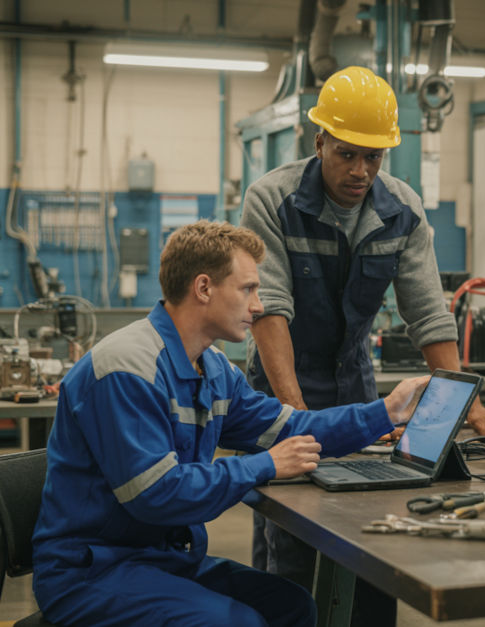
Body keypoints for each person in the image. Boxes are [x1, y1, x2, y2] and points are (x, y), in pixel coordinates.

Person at [31, 220, 429, 626]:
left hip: (163, 559)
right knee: (236, 623)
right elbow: (155, 494)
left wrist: (386, 411)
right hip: (91, 572)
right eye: (248, 289)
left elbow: (291, 428)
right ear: (203, 288)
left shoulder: (215, 369)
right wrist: (264, 464)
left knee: (291, 605)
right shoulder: (127, 369)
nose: (258, 306)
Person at [238, 65, 485, 619]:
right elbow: (271, 311)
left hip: (354, 380)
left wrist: (466, 400)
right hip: (282, 375)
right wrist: (293, 414)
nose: (361, 170)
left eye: (374, 157)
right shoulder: (273, 199)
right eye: (347, 154)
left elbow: (428, 312)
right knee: (291, 539)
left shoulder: (401, 211)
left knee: (373, 529)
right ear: (320, 143)